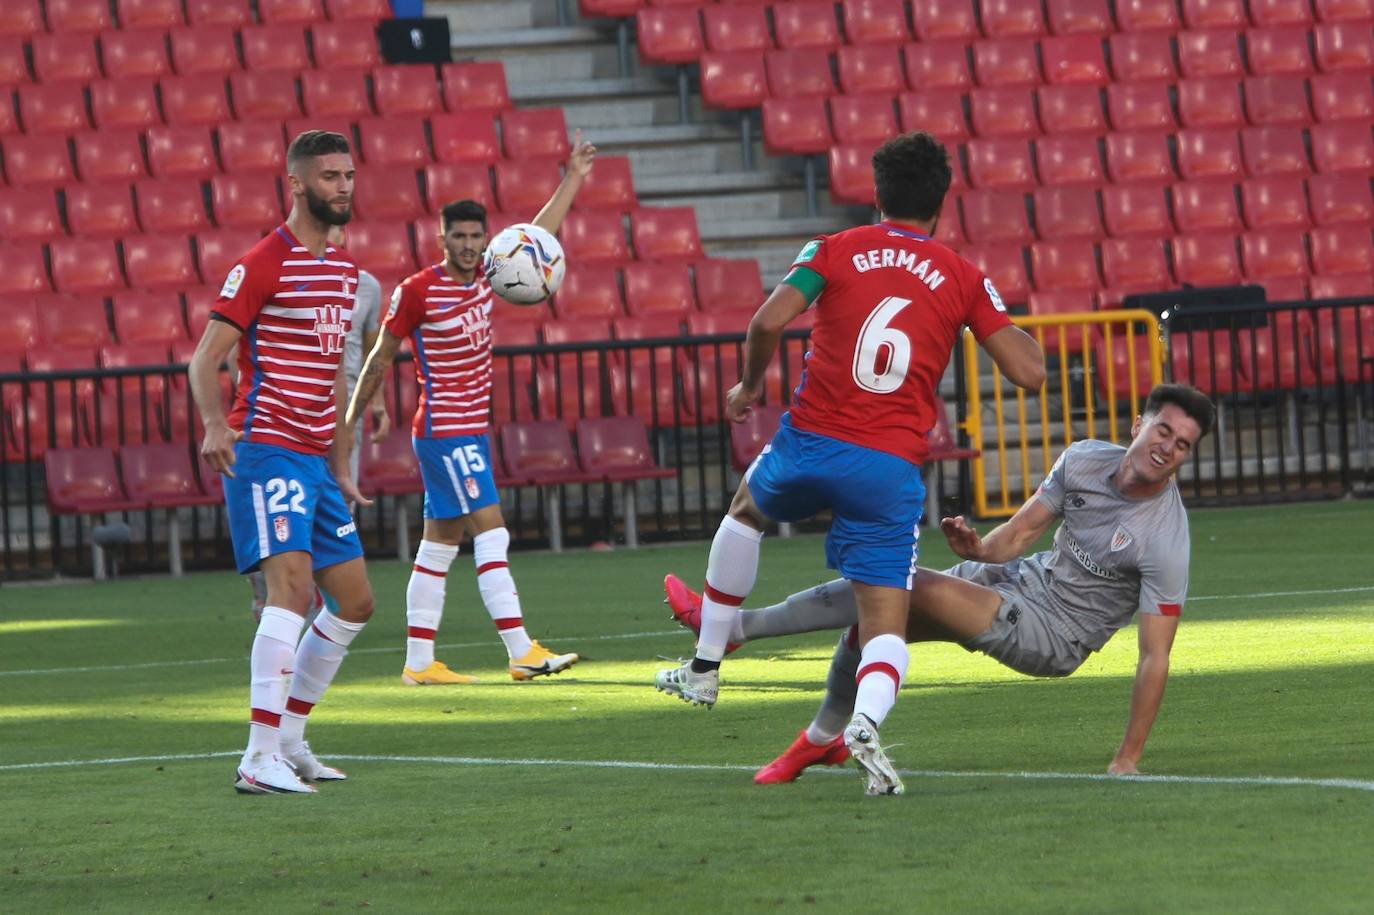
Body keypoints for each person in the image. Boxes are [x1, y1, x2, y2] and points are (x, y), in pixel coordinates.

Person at [653, 131, 1046, 796]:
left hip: (809, 441)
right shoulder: (961, 275)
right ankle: (862, 724)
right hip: (889, 467)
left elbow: (768, 321)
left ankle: (706, 664)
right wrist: (986, 310)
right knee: (882, 618)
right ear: (942, 205)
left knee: (745, 512)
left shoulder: (835, 249)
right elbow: (1030, 372)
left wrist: (749, 387)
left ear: (876, 194)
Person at [663, 383, 1215, 785]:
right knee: (870, 628)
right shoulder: (1086, 459)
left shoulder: (1165, 537)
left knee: (899, 584)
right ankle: (820, 740)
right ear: (1139, 424)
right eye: (1164, 430)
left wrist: (1127, 758)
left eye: (1183, 445)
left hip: (1055, 632)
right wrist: (980, 550)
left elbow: (1154, 658)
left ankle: (735, 628)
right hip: (1016, 579)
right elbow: (1021, 533)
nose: (1168, 447)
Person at [343, 132, 598, 685]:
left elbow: (538, 236)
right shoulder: (417, 291)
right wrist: (358, 414)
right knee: (493, 530)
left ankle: (418, 664)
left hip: (469, 431)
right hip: (444, 430)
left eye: (474, 236)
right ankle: (520, 650)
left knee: (439, 545)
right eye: (457, 236)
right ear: (440, 237)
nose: (466, 245)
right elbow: (380, 355)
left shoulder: (490, 274)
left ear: (485, 240)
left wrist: (573, 177)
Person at [189, 130, 376, 795]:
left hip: (314, 461)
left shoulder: (346, 273)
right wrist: (215, 422)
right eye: (329, 177)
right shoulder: (264, 261)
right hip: (266, 450)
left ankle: (291, 737)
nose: (344, 187)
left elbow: (330, 377)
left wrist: (342, 459)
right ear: (296, 184)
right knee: (291, 592)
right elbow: (204, 356)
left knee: (354, 600)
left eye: (349, 175)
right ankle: (256, 754)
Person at [248, 226, 387, 622]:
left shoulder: (365, 285)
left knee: (340, 507)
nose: (333, 234)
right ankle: (279, 589)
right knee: (291, 518)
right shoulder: (282, 276)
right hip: (289, 418)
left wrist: (377, 402)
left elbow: (373, 347)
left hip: (343, 415)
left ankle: (320, 602)